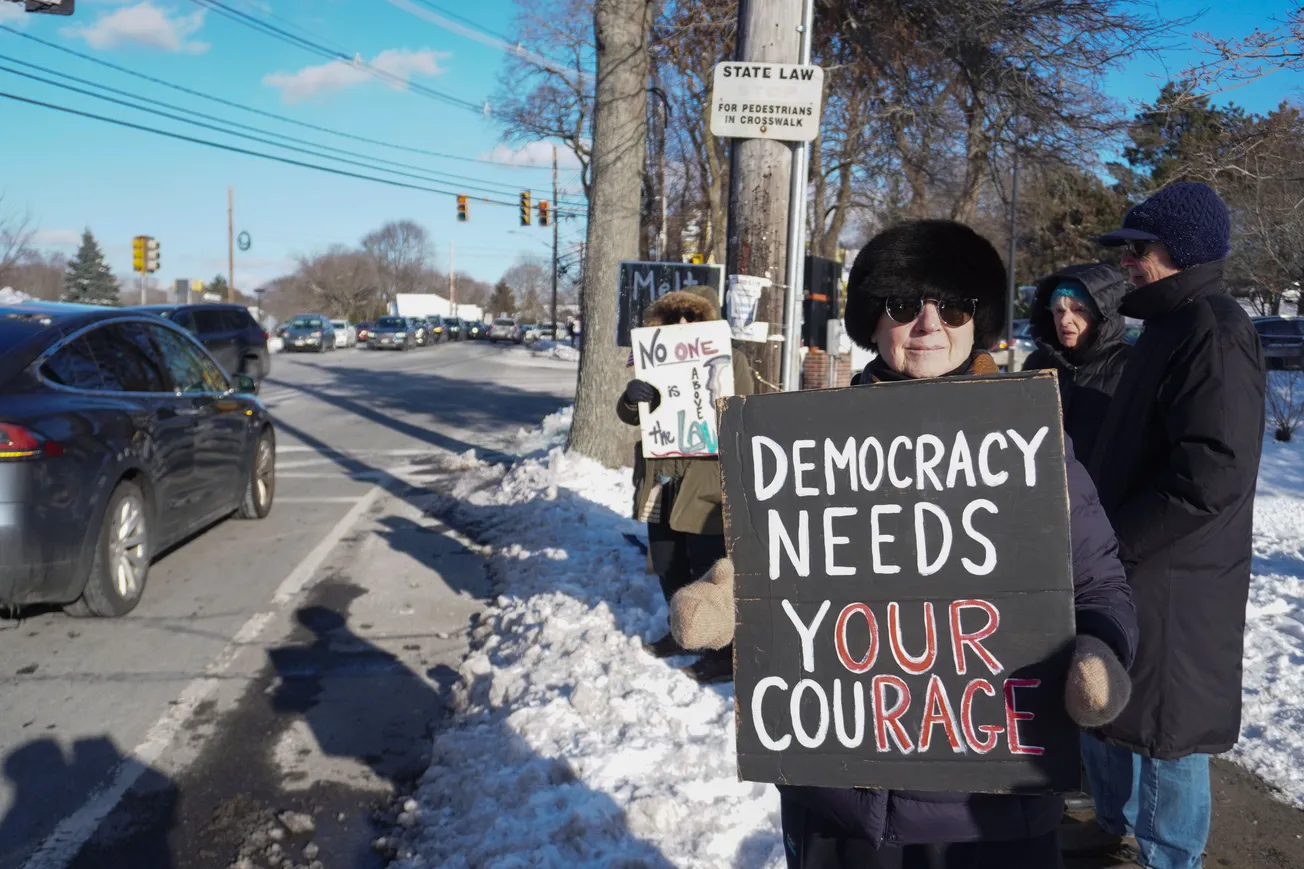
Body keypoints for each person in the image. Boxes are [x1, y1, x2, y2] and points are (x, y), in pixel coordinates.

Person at [670, 220, 1139, 868]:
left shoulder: (1029, 446)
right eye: (902, 305)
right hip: (841, 799)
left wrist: (1100, 648)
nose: (928, 324)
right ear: (872, 319)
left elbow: (1100, 582)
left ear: (979, 320)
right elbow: (782, 559)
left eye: (951, 306)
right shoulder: (812, 444)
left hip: (988, 809)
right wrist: (731, 592)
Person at [1071, 182, 1266, 869]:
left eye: (1138, 248)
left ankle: (1168, 857)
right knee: (1117, 705)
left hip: (1176, 575)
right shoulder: (1168, 324)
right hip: (1138, 564)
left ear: (1181, 250)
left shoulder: (1212, 327)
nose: (1126, 261)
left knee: (1165, 732)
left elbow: (1211, 472)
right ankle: (1111, 823)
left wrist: (1114, 542)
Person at [616, 285, 755, 685]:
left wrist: (721, 396)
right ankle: (685, 633)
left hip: (706, 484)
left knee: (711, 570)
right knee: (666, 563)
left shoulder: (733, 361)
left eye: (691, 317)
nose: (681, 324)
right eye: (674, 316)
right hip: (661, 481)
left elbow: (744, 416)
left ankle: (723, 650)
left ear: (706, 322)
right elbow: (633, 417)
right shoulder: (653, 360)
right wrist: (632, 396)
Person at [1023, 264, 1131, 465]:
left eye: (1078, 310)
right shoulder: (1038, 362)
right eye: (1058, 311)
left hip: (1106, 489)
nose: (1065, 320)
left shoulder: (1130, 364)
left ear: (1100, 315)